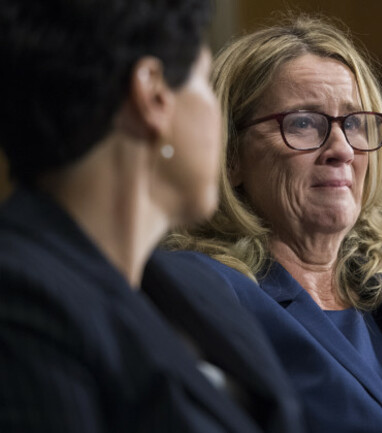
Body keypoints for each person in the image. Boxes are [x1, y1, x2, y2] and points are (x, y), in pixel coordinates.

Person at [146, 15, 382, 433]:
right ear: (230, 156)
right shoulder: (203, 294)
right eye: (303, 122)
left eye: (354, 123)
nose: (342, 149)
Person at [0, 1, 302, 432]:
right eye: (204, 81)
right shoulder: (19, 298)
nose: (219, 123)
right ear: (153, 96)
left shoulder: (199, 287)